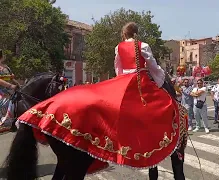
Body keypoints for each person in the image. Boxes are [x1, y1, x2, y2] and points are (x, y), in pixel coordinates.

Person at [17, 22, 187, 175]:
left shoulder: (118, 47)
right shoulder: (143, 45)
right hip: (139, 80)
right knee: (162, 105)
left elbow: (118, 68)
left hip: (122, 80)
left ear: (124, 34)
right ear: (136, 34)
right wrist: (159, 81)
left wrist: (119, 82)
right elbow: (153, 66)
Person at [0, 49, 18, 129]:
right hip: (2, 91)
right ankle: (4, 121)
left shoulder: (6, 67)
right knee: (4, 102)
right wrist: (10, 86)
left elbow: (12, 78)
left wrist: (18, 85)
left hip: (11, 90)